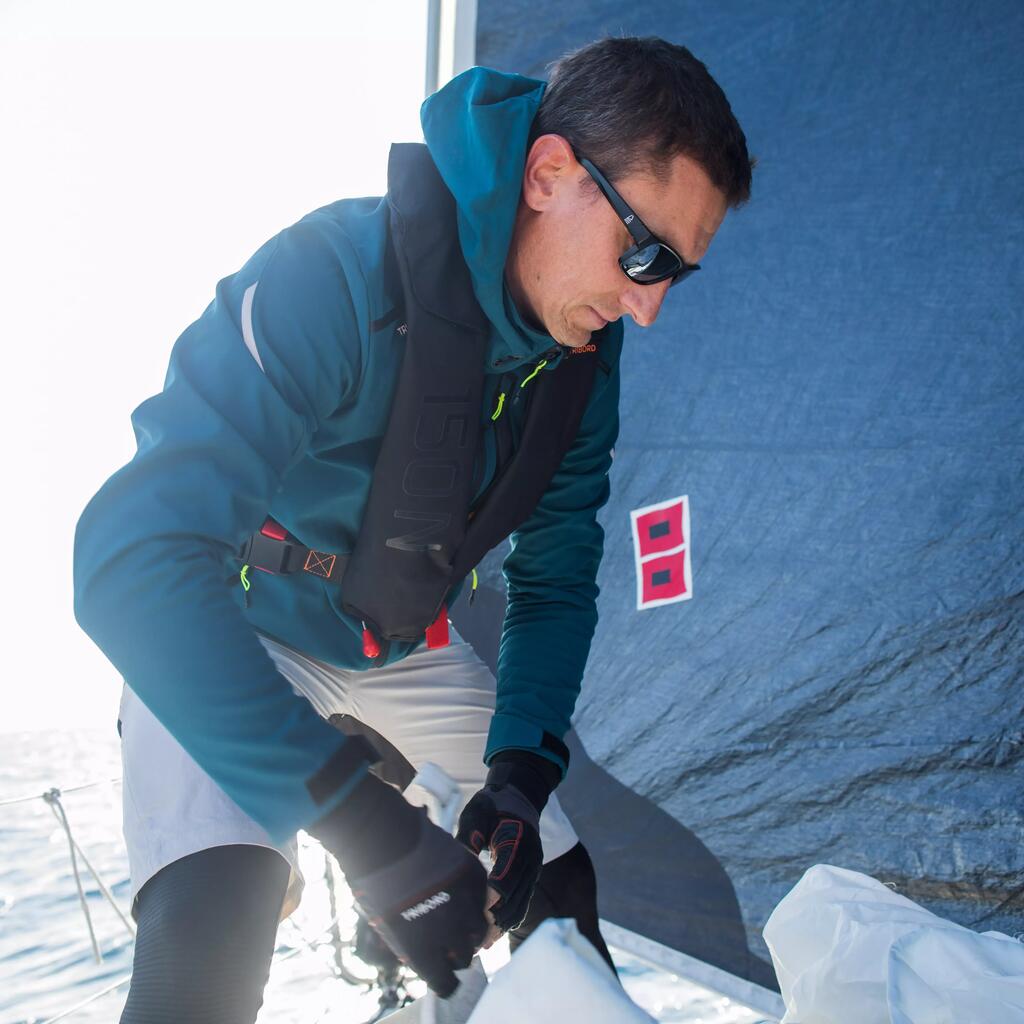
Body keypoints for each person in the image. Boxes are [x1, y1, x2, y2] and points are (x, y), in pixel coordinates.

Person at [74, 35, 753, 1021]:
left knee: (558, 888)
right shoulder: (330, 276)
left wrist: (519, 774)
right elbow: (129, 560)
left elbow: (558, 577)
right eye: (640, 253)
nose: (644, 307)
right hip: (240, 621)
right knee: (209, 942)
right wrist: (365, 824)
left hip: (401, 646)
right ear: (549, 174)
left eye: (674, 275)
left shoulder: (581, 360)